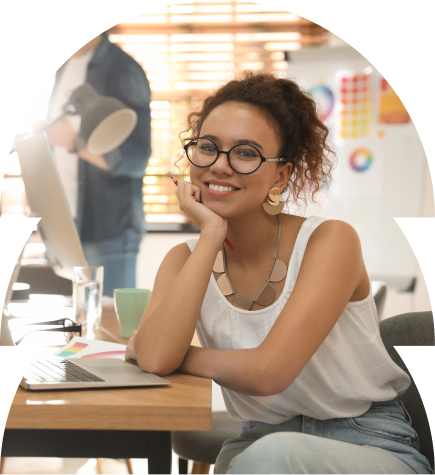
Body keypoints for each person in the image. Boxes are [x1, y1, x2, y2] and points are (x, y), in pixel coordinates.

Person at [124, 71, 432, 475]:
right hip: (258, 442)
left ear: (281, 176)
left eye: (246, 153)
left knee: (269, 460)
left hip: (368, 442)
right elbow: (153, 355)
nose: (220, 166)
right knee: (260, 459)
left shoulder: (329, 241)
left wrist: (176, 357)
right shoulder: (184, 259)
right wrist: (212, 233)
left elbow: (269, 373)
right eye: (208, 147)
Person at [41, 31, 151, 296]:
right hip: (63, 219)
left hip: (108, 229)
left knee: (109, 330)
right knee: (63, 328)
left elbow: (136, 158)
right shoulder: (65, 67)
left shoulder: (123, 69)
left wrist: (75, 142)